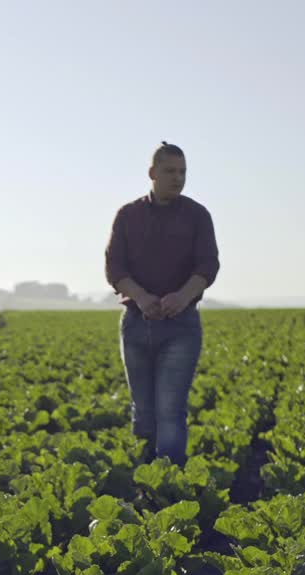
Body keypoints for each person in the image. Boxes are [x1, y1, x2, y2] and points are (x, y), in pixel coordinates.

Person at [104, 141, 220, 466]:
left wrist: (182, 297)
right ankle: (144, 482)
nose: (178, 178)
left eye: (183, 172)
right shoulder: (128, 216)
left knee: (170, 411)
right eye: (170, 171)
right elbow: (115, 267)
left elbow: (207, 266)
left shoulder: (198, 216)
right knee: (143, 413)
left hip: (181, 328)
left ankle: (167, 489)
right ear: (152, 173)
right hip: (136, 326)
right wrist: (141, 297)